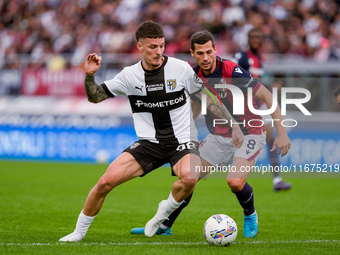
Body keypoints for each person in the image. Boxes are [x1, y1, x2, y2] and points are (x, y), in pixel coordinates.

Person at [131, 30, 291, 238]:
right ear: (193, 54)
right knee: (189, 177)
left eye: (209, 52)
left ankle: (250, 214)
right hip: (218, 136)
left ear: (216, 50)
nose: (205, 58)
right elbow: (196, 107)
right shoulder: (194, 76)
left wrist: (281, 132)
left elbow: (267, 96)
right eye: (200, 54)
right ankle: (164, 225)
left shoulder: (232, 70)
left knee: (234, 181)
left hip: (250, 132)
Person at [58, 20, 205, 242]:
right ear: (140, 47)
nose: (159, 52)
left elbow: (203, 96)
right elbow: (95, 97)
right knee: (105, 182)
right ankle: (78, 232)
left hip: (182, 141)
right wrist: (89, 76)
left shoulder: (180, 68)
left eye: (162, 46)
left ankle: (161, 215)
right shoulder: (129, 76)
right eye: (153, 47)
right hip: (149, 144)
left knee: (191, 177)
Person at [233, 28, 292, 191]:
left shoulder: (259, 58)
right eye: (252, 37)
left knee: (270, 138)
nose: (255, 40)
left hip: (258, 104)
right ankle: (207, 166)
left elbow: (255, 83)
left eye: (258, 37)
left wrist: (269, 88)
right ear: (248, 39)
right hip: (245, 104)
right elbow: (237, 79)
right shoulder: (242, 57)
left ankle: (277, 179)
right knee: (231, 137)